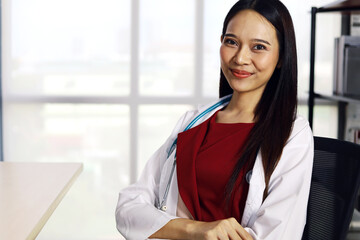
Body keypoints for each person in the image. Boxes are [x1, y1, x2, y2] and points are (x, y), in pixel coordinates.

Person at [115, 0, 314, 239]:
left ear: (282, 57)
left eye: (258, 47)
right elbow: (128, 209)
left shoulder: (292, 133)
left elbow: (278, 234)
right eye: (231, 42)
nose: (240, 58)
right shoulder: (194, 122)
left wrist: (170, 228)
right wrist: (195, 229)